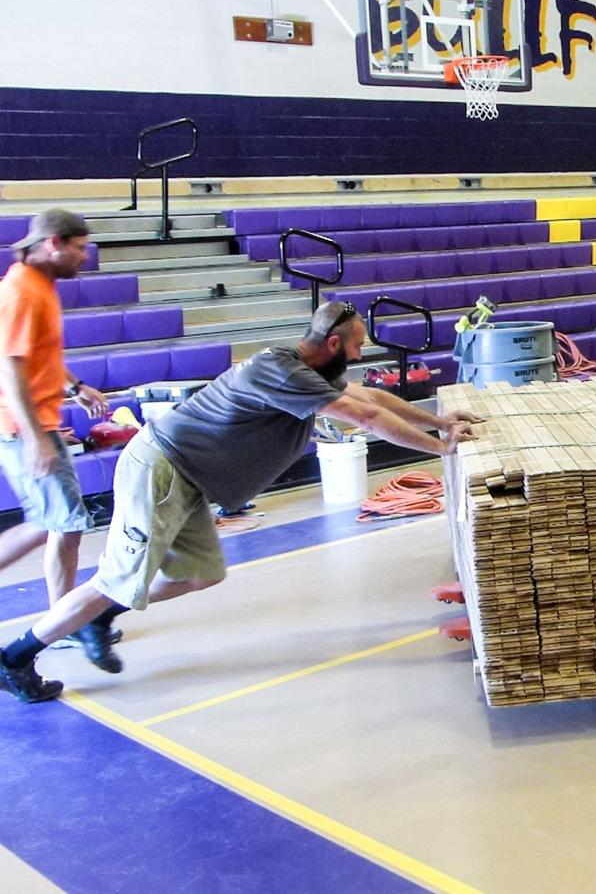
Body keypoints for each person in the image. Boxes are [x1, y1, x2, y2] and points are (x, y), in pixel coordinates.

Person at [0, 300, 479, 702]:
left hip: (188, 477)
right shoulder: (281, 370)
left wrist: (438, 422)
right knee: (115, 579)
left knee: (199, 573)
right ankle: (15, 657)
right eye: (356, 346)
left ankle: (98, 618)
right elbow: (368, 417)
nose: (358, 355)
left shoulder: (306, 366)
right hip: (161, 468)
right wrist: (441, 450)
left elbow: (369, 397)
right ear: (333, 344)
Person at [0, 209, 115, 655]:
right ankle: (62, 621)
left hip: (39, 421)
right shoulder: (21, 292)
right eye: (80, 248)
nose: (84, 257)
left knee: (61, 524)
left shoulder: (40, 286)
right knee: (57, 521)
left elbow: (37, 355)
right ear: (54, 243)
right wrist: (32, 437)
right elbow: (8, 366)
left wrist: (75, 386)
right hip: (24, 426)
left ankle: (62, 617)